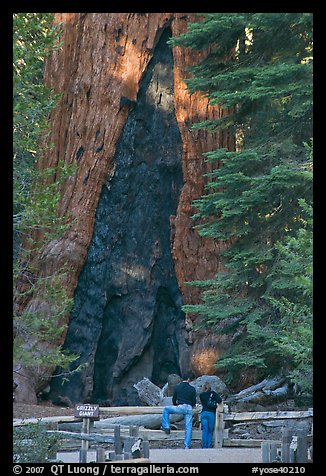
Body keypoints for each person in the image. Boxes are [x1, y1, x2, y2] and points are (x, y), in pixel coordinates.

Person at [161, 373, 197, 449]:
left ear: (181, 379)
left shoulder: (177, 387)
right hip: (189, 408)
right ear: (188, 379)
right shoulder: (192, 389)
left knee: (166, 409)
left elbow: (174, 399)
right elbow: (194, 401)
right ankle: (187, 446)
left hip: (180, 407)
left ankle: (166, 426)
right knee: (188, 427)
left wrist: (176, 404)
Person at [199, 382, 222, 448]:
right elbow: (219, 400)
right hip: (211, 413)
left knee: (204, 431)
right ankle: (209, 446)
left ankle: (204, 446)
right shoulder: (213, 393)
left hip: (203, 413)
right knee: (210, 430)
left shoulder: (201, 395)